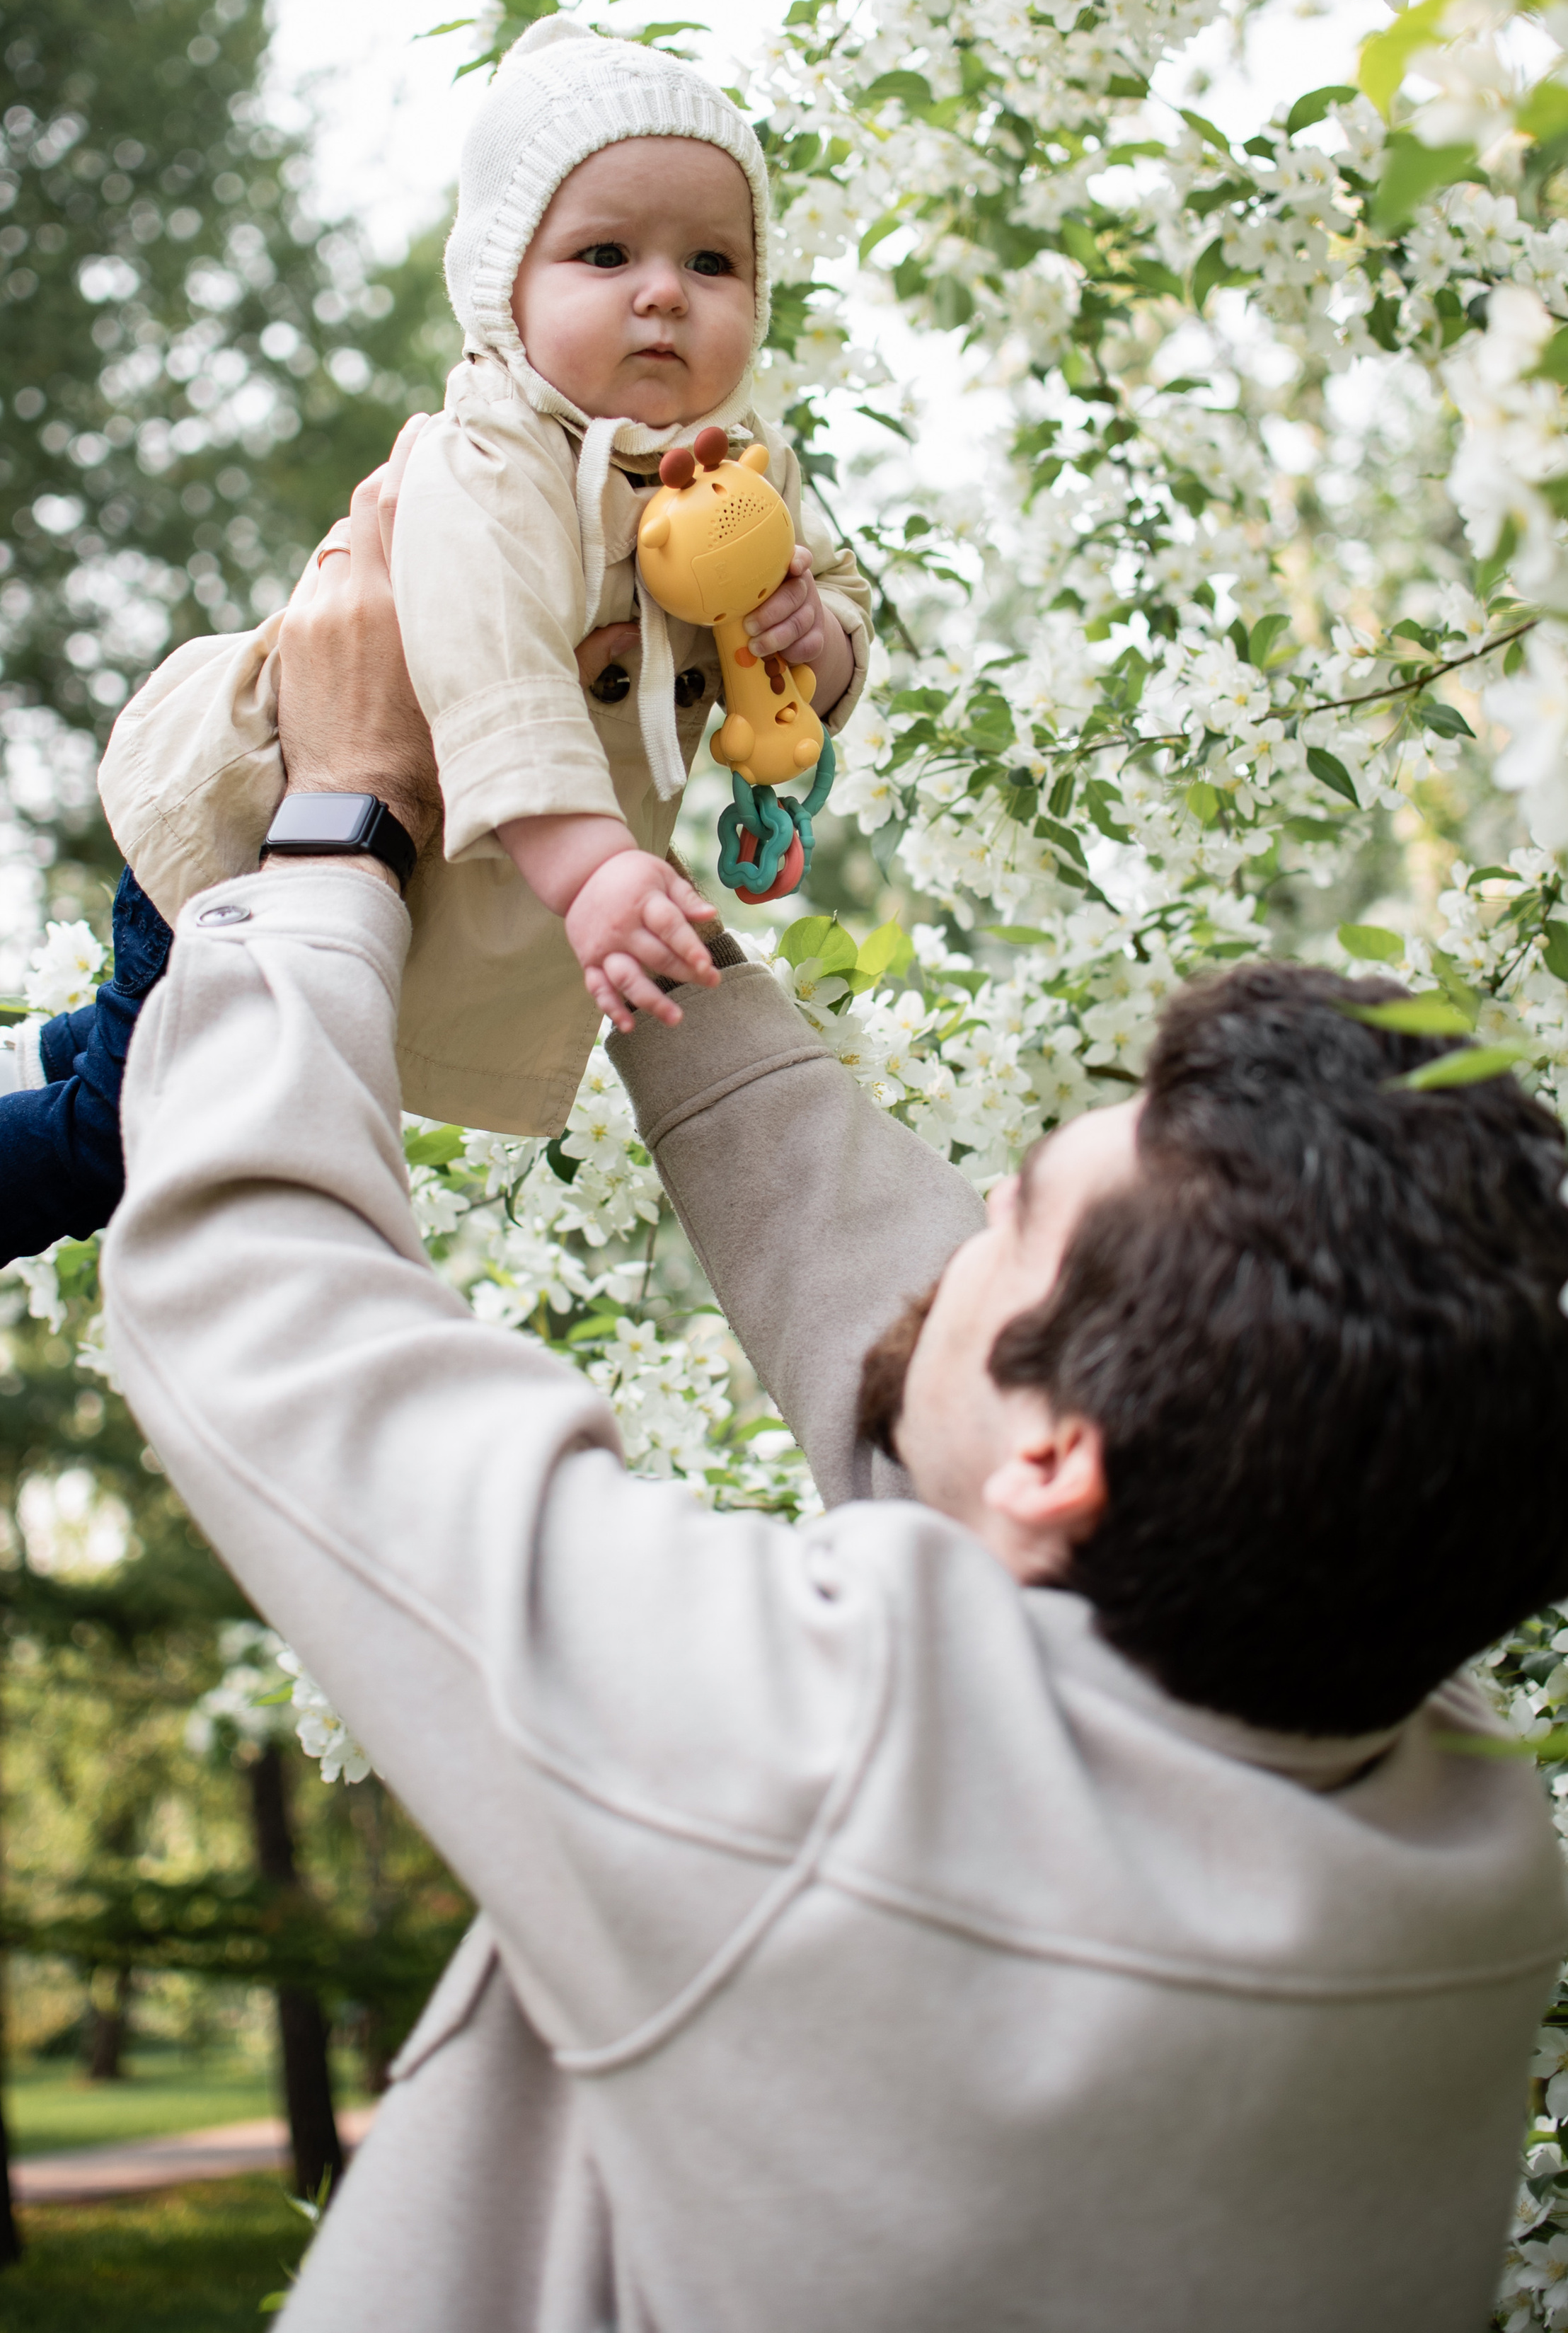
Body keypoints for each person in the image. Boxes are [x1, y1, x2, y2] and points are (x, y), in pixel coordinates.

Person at [100, 480, 1568, 2332]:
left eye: (1009, 1219)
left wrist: (342, 824)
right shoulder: (1442, 1795)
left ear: (1062, 1455)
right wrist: (614, 892)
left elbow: (248, 1298)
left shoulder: (819, 1787)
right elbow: (931, 1341)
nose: (952, 1242)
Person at [0, 21, 872, 1469]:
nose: (662, 302)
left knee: (142, 1048)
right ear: (503, 290)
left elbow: (826, 600)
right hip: (271, 826)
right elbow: (491, 674)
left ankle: (12, 1073)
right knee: (152, 1120)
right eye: (605, 257)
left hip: (402, 875)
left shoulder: (743, 467)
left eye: (711, 263)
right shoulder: (488, 460)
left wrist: (822, 639)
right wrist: (592, 869)